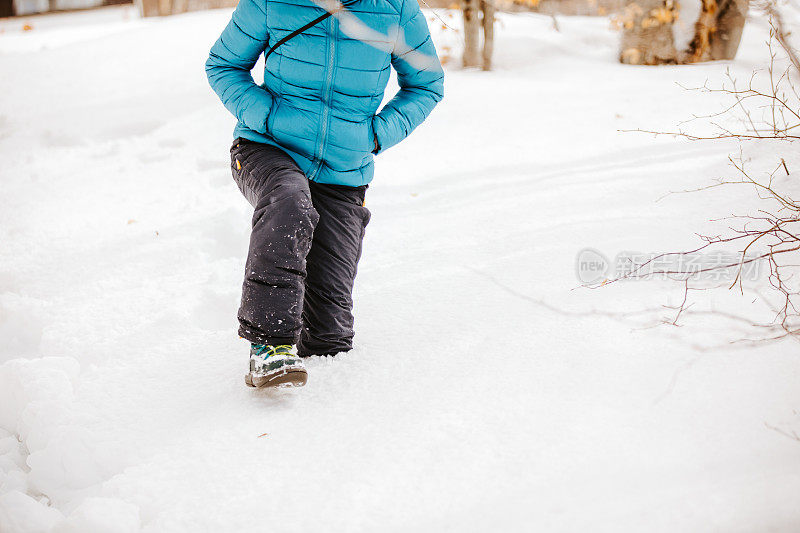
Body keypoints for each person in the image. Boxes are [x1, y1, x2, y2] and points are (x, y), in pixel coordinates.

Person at [205, 0, 444, 388]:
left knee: (329, 338)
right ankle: (269, 345)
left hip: (342, 172)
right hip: (267, 148)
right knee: (289, 201)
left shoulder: (396, 9)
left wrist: (376, 135)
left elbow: (426, 85)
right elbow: (223, 66)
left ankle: (306, 360)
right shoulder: (270, 2)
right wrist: (267, 117)